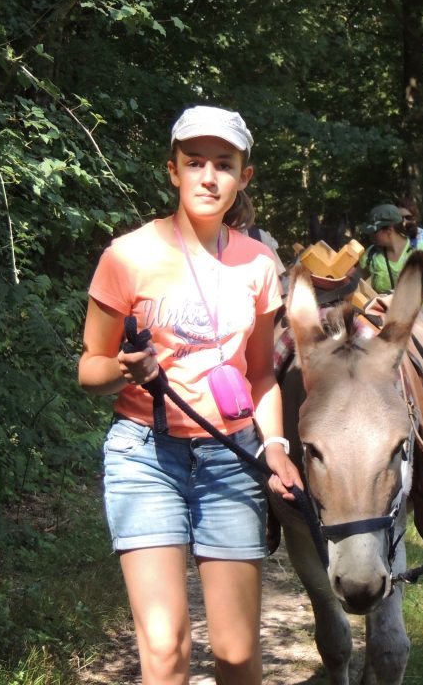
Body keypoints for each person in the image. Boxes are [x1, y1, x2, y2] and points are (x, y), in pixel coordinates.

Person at [78, 105, 302, 685]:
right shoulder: (126, 256)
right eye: (194, 162)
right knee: (165, 649)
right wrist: (125, 369)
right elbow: (88, 370)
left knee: (235, 655)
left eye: (223, 165)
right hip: (145, 457)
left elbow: (261, 375)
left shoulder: (259, 263)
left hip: (230, 457)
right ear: (172, 170)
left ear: (243, 177)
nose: (208, 176)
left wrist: (274, 446)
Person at [359, 202, 423, 325]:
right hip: (386, 323)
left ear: (389, 230)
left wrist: (415, 298)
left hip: (421, 322)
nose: (371, 236)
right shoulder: (371, 255)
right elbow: (355, 282)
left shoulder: (421, 250)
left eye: (374, 231)